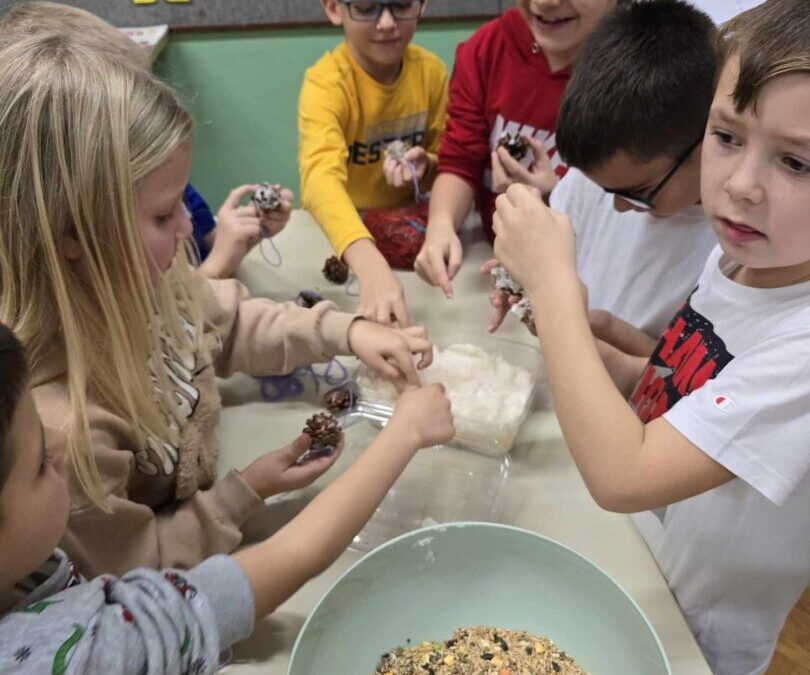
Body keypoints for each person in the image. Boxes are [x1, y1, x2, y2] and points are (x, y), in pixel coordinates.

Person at [0, 30, 435, 579]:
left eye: (183, 202)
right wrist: (245, 492)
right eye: (162, 217)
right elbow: (140, 567)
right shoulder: (62, 434)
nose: (187, 228)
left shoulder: (142, 271)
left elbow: (224, 321)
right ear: (73, 235)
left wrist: (346, 333)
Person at [491, 1, 810, 672]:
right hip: (650, 560)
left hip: (705, 633)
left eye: (797, 163)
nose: (742, 186)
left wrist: (553, 289)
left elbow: (624, 472)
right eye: (727, 136)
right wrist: (620, 352)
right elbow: (697, 395)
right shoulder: (740, 257)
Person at [0, 321, 454, 674]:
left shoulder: (22, 565)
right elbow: (292, 555)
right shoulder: (80, 656)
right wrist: (405, 432)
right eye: (40, 460)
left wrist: (248, 489)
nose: (61, 440)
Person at [0, 1, 295, 282]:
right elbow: (174, 309)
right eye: (163, 216)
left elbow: (198, 238)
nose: (184, 221)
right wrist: (217, 267)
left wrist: (240, 235)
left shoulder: (171, 190)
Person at [487, 0, 719, 353]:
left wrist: (575, 323)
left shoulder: (731, 247)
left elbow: (682, 377)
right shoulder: (606, 172)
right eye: (601, 188)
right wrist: (524, 280)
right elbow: (565, 236)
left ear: (709, 141)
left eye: (639, 192)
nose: (619, 207)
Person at [414, 0, 620, 299]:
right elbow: (460, 158)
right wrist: (442, 225)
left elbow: (630, 219)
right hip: (495, 268)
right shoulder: (487, 49)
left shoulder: (632, 74)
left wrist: (557, 198)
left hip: (585, 281)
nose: (546, 3)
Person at [298, 0, 448, 325]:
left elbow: (451, 166)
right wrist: (367, 262)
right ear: (334, 9)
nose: (386, 22)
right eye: (366, 8)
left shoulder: (432, 74)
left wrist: (428, 166)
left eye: (401, 5)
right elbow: (318, 179)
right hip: (345, 233)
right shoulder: (326, 84)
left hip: (408, 233)